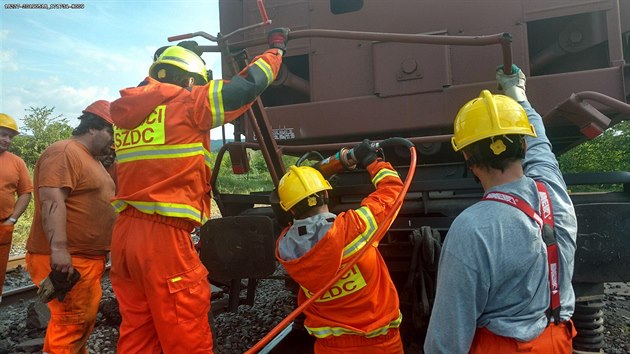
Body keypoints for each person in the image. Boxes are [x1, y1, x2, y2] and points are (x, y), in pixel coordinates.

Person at [108, 28, 289, 354]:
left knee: (138, 329)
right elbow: (246, 87)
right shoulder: (189, 104)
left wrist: (174, 59)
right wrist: (276, 50)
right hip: (163, 238)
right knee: (184, 329)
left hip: (124, 235)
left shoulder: (128, 117)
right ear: (192, 81)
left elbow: (151, 88)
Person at [424, 65, 578, 353]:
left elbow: (448, 337)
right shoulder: (554, 192)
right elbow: (540, 143)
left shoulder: (472, 228)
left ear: (467, 155)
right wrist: (517, 92)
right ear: (522, 142)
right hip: (558, 342)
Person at [274, 140, 405, 354]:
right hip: (379, 345)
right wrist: (373, 162)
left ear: (289, 210)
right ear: (326, 194)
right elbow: (393, 191)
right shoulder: (354, 228)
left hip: (329, 348)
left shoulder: (284, 248)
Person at [25, 100, 116, 354]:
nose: (112, 141)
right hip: (68, 259)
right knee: (72, 321)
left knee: (77, 322)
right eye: (111, 132)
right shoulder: (65, 152)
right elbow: (52, 200)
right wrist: (59, 250)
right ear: (93, 128)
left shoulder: (93, 160)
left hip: (84, 258)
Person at [0, 113, 33, 303]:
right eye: (3, 134)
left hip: (3, 226)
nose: (7, 140)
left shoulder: (17, 162)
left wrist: (12, 220)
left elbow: (25, 193)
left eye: (10, 136)